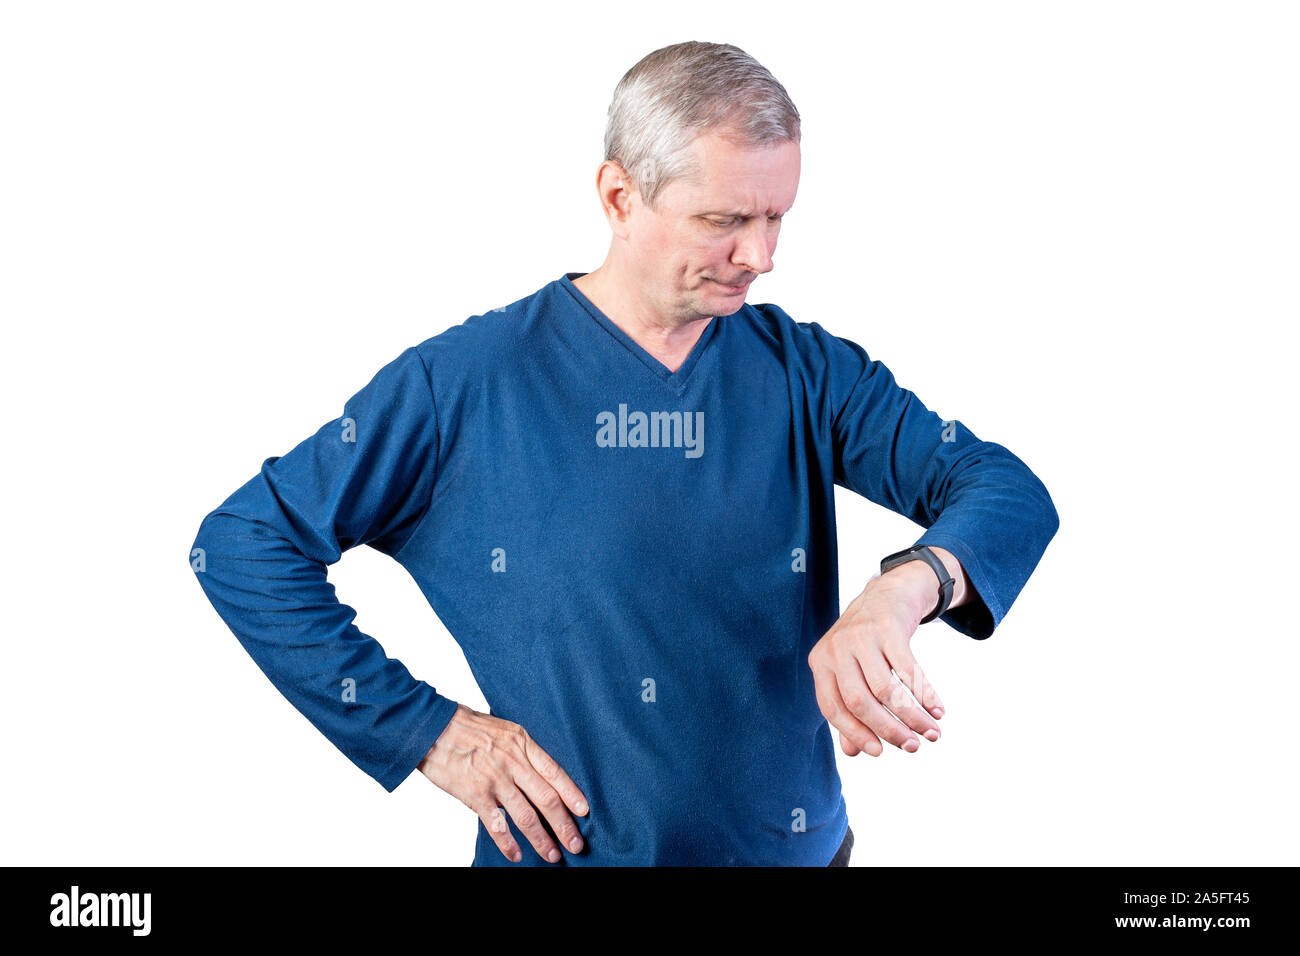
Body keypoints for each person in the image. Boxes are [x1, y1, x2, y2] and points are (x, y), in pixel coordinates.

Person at [191, 40, 1059, 867]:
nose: (759, 257)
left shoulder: (805, 370)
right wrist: (426, 733)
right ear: (618, 197)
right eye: (724, 221)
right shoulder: (464, 384)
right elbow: (243, 543)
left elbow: (1004, 487)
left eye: (776, 218)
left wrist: (905, 588)